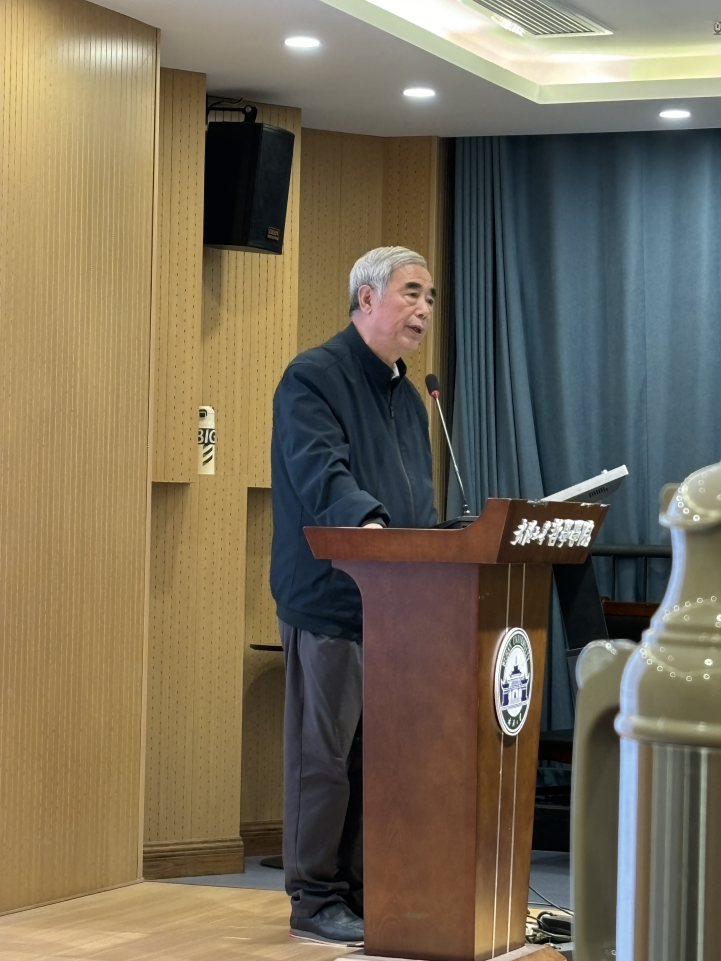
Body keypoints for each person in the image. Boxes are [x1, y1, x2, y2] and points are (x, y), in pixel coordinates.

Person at [270, 246, 438, 946]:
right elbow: (322, 473)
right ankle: (314, 897)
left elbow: (417, 498)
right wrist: (369, 526)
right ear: (366, 298)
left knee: (380, 756)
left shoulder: (410, 395)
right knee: (326, 757)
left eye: (429, 297)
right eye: (411, 292)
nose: (424, 309)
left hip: (398, 604)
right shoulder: (313, 377)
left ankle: (367, 890)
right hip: (331, 598)